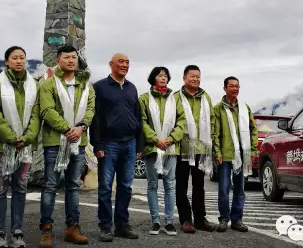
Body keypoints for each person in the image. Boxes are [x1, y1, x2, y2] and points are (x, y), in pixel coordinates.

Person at [0, 46, 41, 248]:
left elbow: (37, 114)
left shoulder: (34, 85)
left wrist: (26, 138)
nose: (19, 61)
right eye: (15, 58)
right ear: (6, 61)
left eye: (22, 58)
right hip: (0, 146)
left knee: (20, 189)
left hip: (24, 147)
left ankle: (17, 231)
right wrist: (11, 137)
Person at [38, 45, 96, 247]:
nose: (71, 60)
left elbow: (90, 109)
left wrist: (81, 127)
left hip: (79, 143)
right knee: (51, 186)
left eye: (74, 57)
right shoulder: (48, 84)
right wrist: (67, 129)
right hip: (55, 142)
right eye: (67, 57)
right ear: (58, 60)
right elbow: (46, 110)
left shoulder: (86, 84)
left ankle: (72, 227)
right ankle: (46, 229)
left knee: (73, 185)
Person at [90, 53, 142, 241]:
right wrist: (98, 144)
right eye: (121, 61)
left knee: (126, 186)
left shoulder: (132, 88)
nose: (125, 65)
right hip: (108, 144)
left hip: (129, 143)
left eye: (127, 62)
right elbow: (95, 118)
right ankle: (105, 226)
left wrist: (139, 143)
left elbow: (138, 117)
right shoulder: (100, 87)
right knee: (105, 187)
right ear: (111, 64)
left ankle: (122, 225)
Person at [139, 67, 186, 236]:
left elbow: (182, 122)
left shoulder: (175, 99)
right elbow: (142, 121)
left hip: (171, 148)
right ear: (153, 78)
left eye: (165, 75)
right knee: (152, 184)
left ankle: (169, 221)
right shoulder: (144, 98)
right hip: (152, 148)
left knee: (170, 184)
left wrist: (171, 139)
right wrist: (154, 139)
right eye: (160, 75)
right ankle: (155, 221)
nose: (163, 77)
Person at [174, 65, 217, 233]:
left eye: (198, 76)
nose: (196, 79)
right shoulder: (176, 97)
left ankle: (200, 219)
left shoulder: (205, 97)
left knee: (199, 185)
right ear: (184, 78)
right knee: (181, 185)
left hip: (201, 148)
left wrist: (211, 142)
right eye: (192, 76)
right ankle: (186, 219)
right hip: (182, 148)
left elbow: (211, 121)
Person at [212, 76, 258, 233]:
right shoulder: (218, 109)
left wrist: (252, 149)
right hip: (225, 155)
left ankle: (237, 219)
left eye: (237, 86)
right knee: (224, 189)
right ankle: (224, 219)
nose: (235, 89)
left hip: (242, 155)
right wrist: (216, 152)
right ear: (224, 88)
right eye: (231, 86)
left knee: (240, 189)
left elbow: (253, 129)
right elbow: (215, 132)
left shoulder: (245, 108)